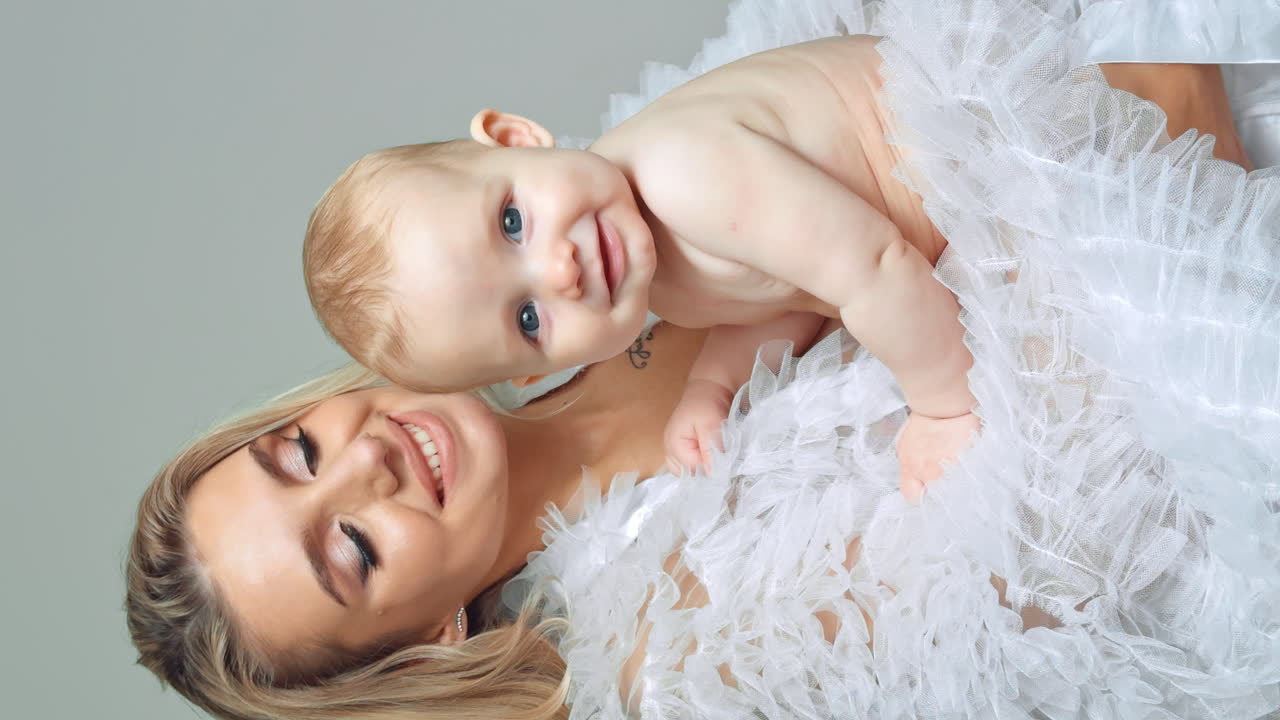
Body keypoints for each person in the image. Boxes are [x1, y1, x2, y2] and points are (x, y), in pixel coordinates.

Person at [127, 0, 1280, 718]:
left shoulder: (585, 252)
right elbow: (1076, 550)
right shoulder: (678, 652)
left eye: (299, 452)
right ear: (428, 636)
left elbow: (834, 58)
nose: (366, 468)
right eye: (352, 548)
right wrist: (1146, 107)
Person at [303, 32, 984, 499]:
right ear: (538, 367)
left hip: (971, 134)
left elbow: (872, 266)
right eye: (529, 316)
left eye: (512, 223)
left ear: (518, 139)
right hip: (945, 207)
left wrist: (943, 410)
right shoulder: (655, 275)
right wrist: (713, 385)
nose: (560, 270)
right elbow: (783, 291)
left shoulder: (682, 175)